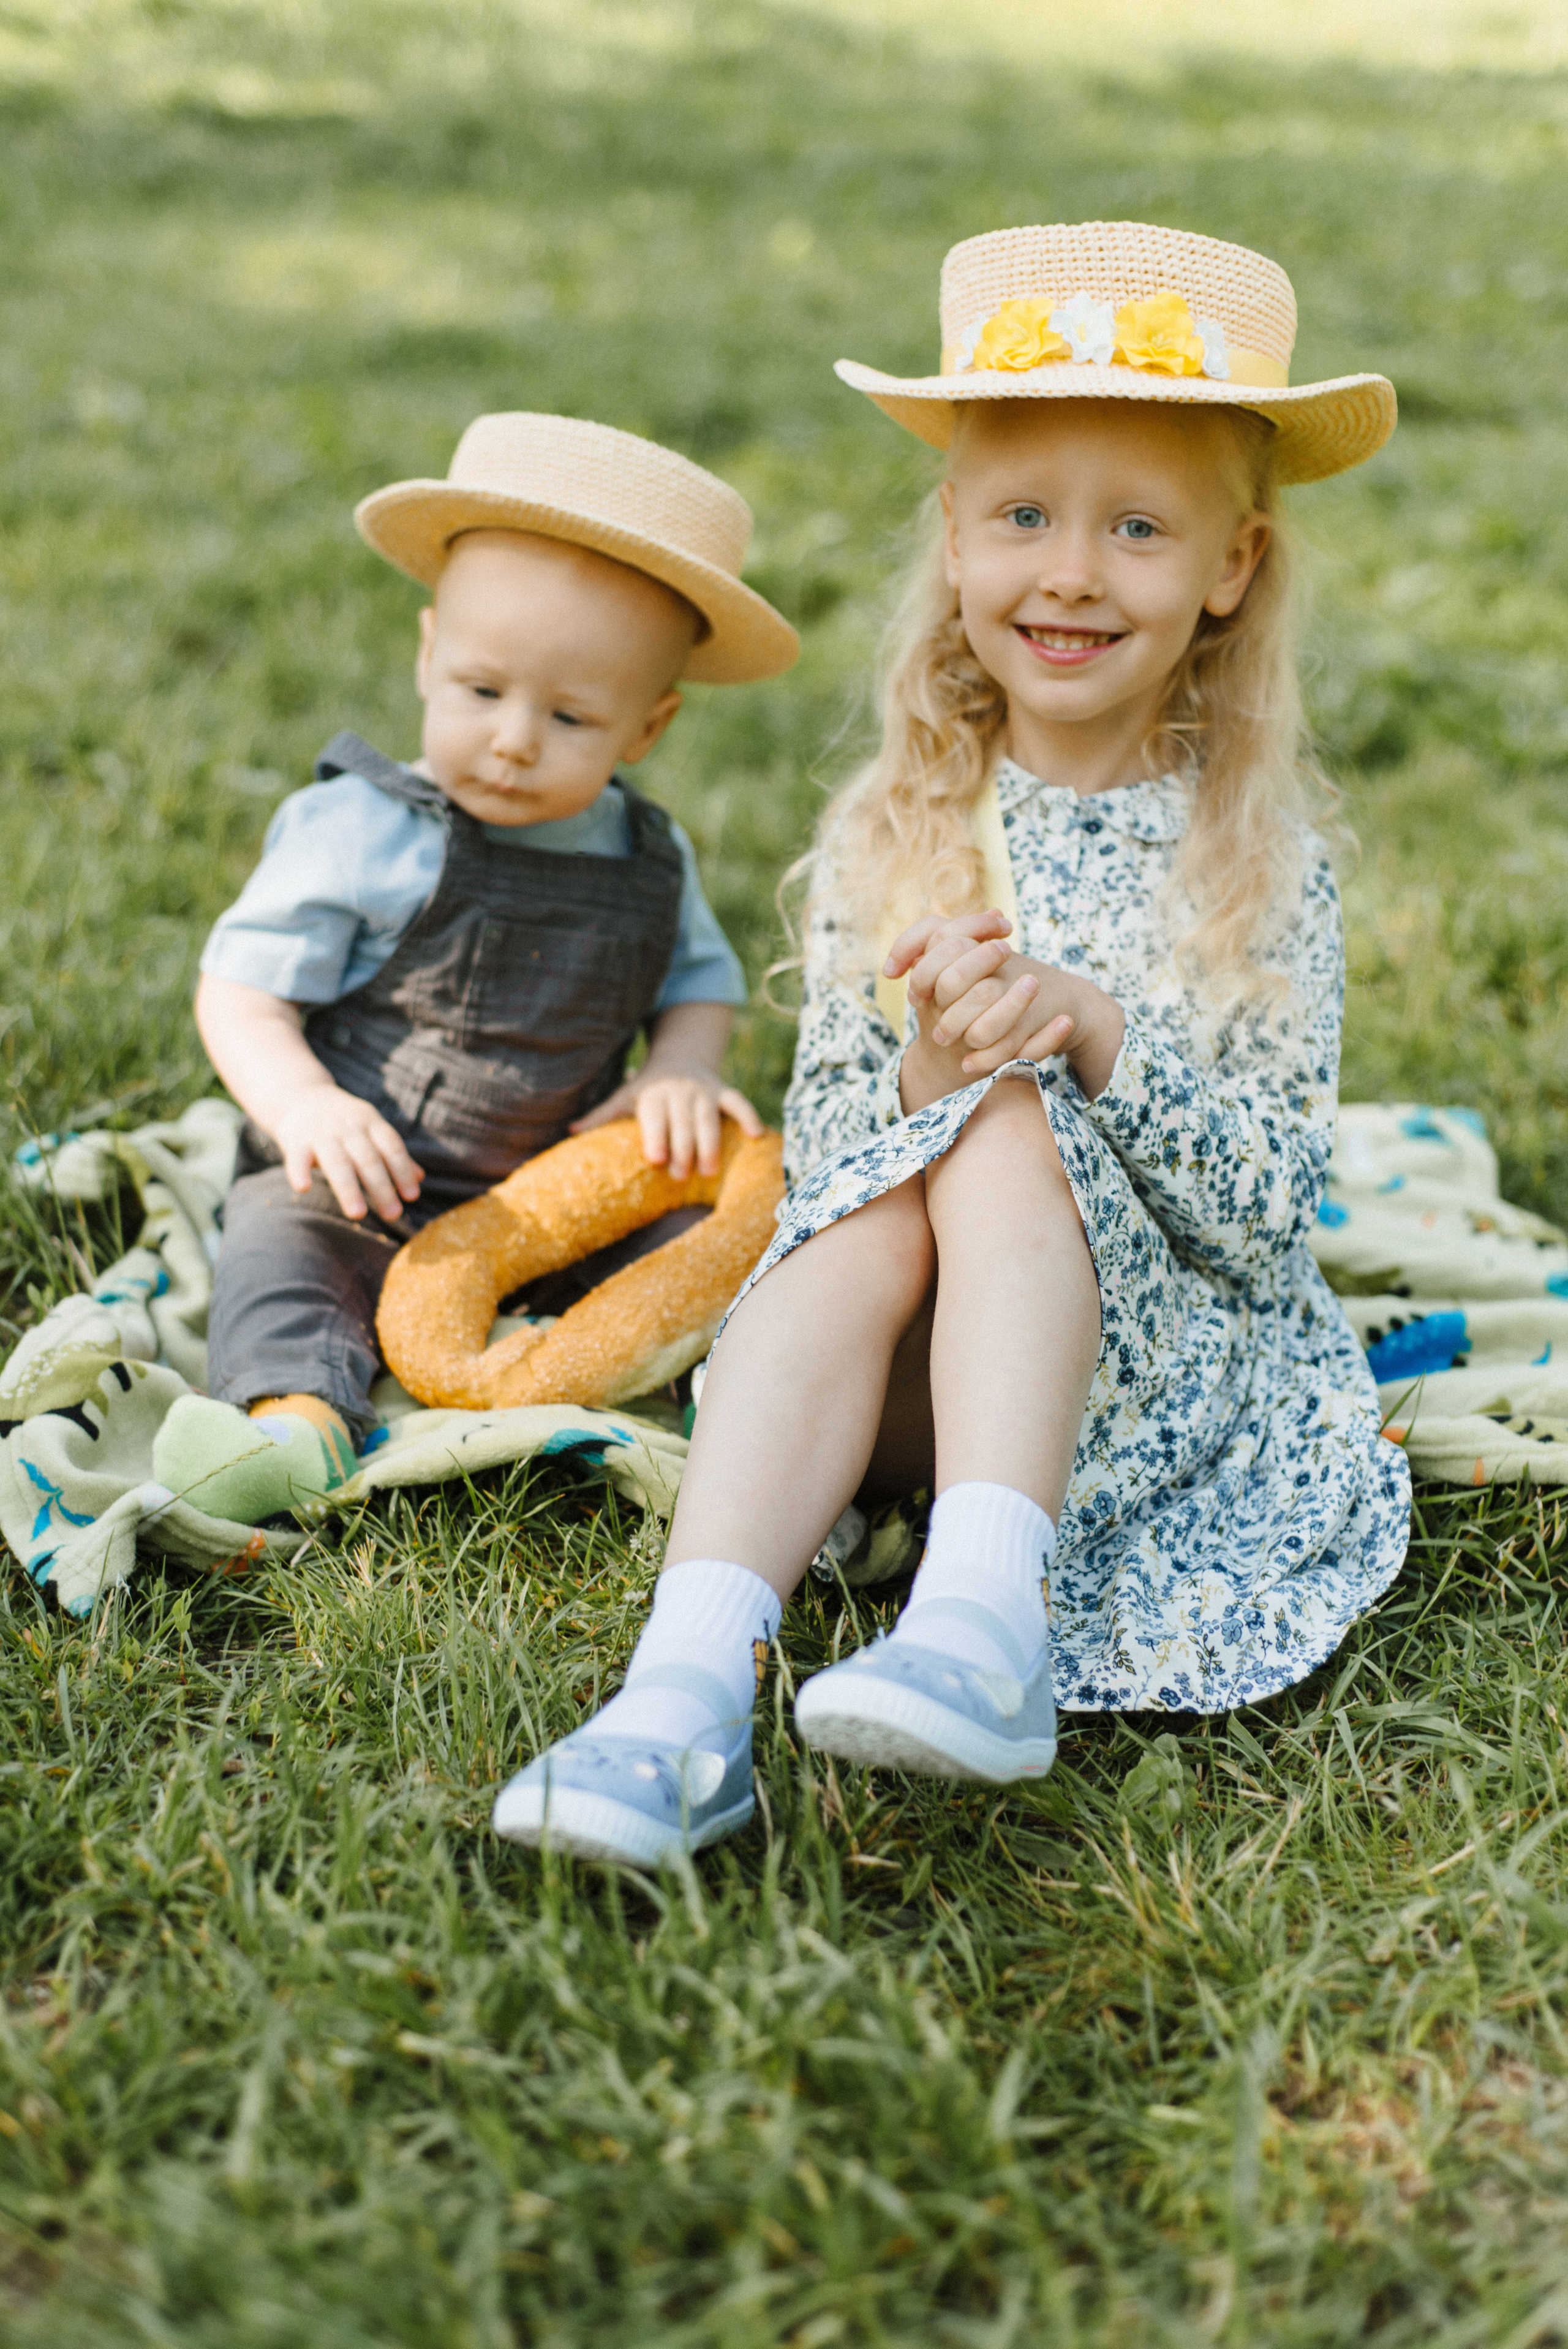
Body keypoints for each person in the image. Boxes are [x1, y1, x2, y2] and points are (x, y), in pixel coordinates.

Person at [492, 220, 1414, 1869]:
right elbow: (832, 1173)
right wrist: (920, 1072)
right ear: (957, 538)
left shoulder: (1256, 860)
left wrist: (1099, 1030)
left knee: (1012, 1108)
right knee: (907, 1161)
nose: (1070, 571)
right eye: (1024, 517)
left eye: (1137, 527)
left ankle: (984, 1619)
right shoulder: (897, 821)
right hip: (911, 1382)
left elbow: (1271, 1216)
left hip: (1162, 1388)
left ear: (1233, 566)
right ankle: (681, 1699)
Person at [154, 412, 797, 1524]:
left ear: (648, 725)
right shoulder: (359, 827)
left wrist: (682, 1071)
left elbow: (700, 979)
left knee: (695, 1252)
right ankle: (293, 1423)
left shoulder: (649, 854)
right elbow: (241, 992)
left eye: (571, 715)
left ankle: (730, 1415)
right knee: (278, 1252)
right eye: (481, 690)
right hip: (362, 1177)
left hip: (542, 1203)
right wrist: (303, 1104)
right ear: (425, 653)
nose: (512, 739)